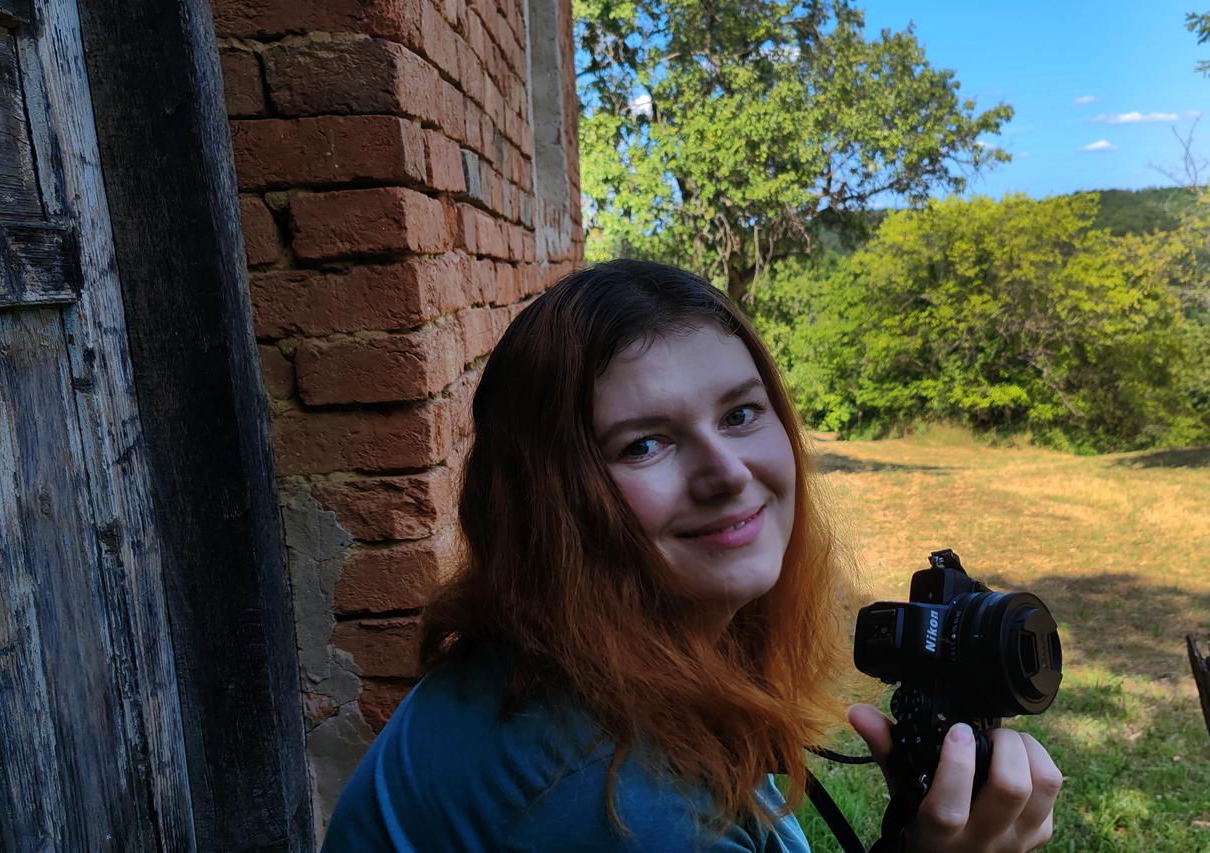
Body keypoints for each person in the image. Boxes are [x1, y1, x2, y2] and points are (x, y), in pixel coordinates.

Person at [321, 260, 1062, 852]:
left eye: (740, 413)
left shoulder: (590, 659)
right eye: (644, 443)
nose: (727, 473)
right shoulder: (623, 805)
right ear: (545, 504)